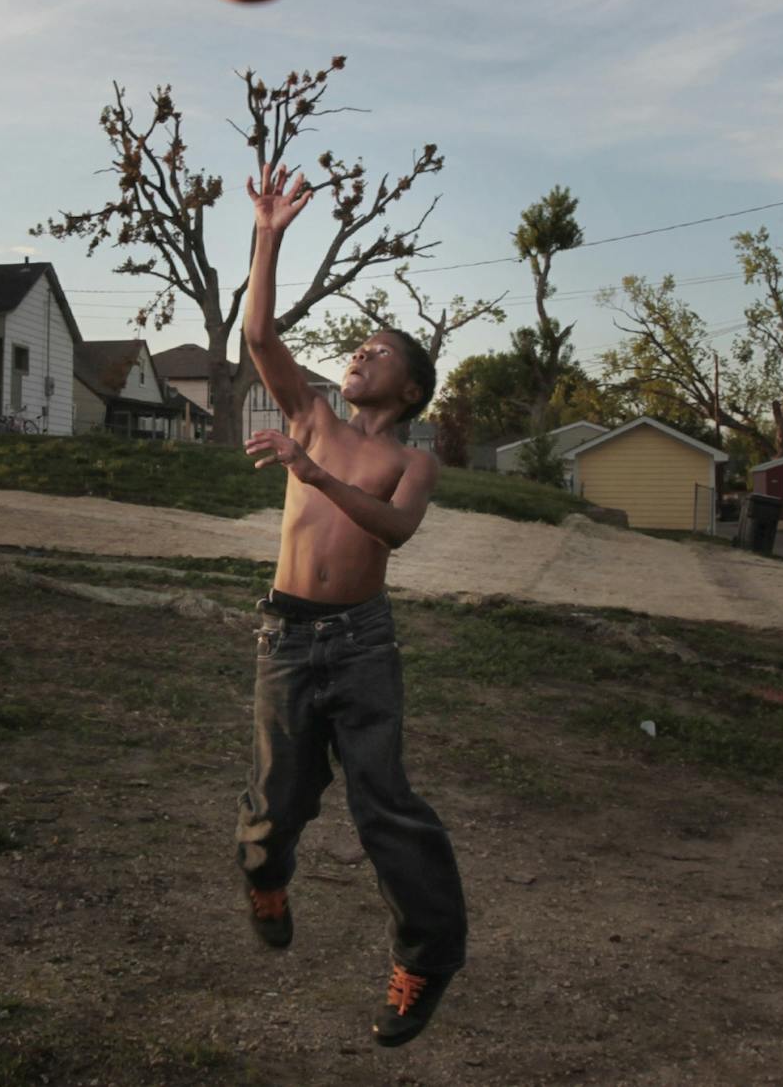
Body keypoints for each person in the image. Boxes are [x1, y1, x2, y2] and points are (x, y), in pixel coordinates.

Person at [233, 161, 468, 1049]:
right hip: (286, 635)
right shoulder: (312, 411)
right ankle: (264, 874)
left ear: (408, 390)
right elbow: (259, 337)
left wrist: (312, 472)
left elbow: (394, 530)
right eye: (358, 346)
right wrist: (268, 234)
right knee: (273, 807)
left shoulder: (413, 462)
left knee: (385, 806)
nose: (359, 353)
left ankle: (427, 956)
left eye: (380, 352)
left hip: (362, 644)